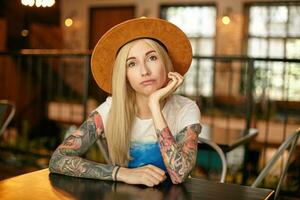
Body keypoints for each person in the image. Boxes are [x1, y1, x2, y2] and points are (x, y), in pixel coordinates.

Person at [49, 17, 202, 187]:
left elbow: (179, 175)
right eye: (132, 64)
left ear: (166, 64)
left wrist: (154, 106)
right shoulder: (112, 108)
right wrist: (121, 173)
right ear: (126, 76)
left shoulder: (186, 109)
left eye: (152, 58)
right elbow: (58, 159)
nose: (144, 71)